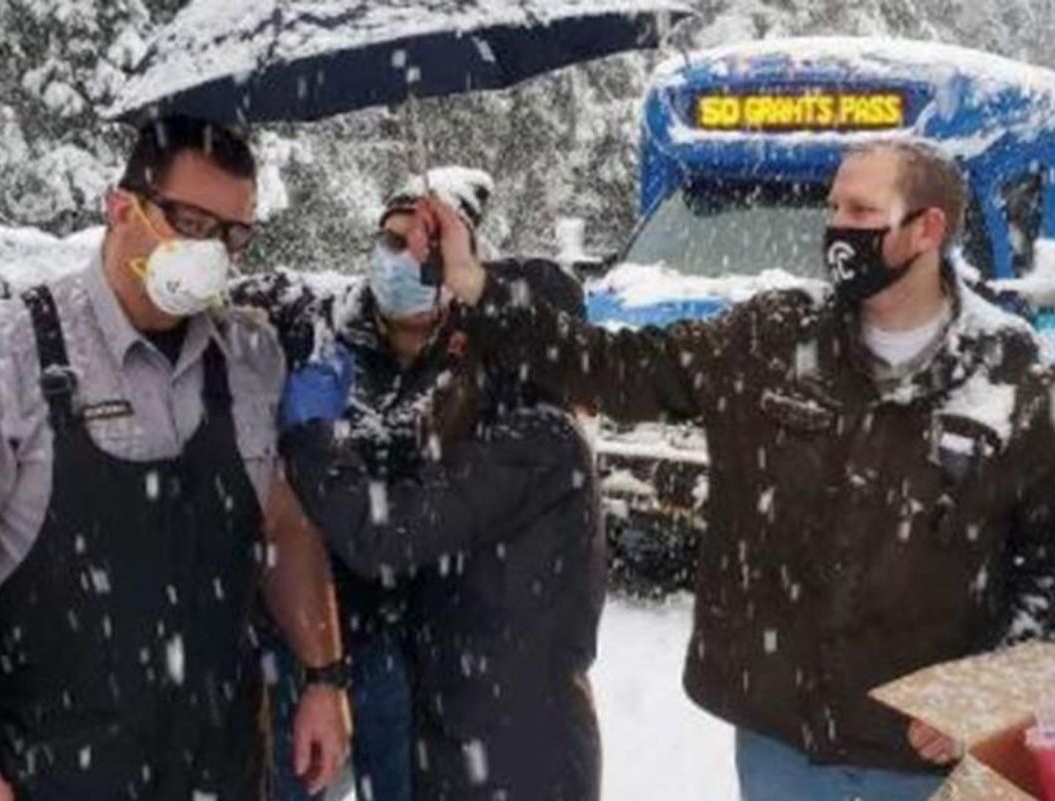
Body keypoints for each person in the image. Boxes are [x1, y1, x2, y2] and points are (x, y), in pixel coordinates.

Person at [434, 139, 1055, 800]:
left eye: (862, 209)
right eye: (834, 205)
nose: (838, 227)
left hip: (932, 762)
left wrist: (989, 691)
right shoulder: (771, 338)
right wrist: (476, 284)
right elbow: (611, 365)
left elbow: (1048, 568)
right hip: (782, 748)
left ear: (929, 228)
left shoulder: (1015, 381)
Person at [0, 115, 350, 801]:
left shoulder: (248, 360)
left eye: (232, 234)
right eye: (191, 221)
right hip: (55, 770)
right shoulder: (6, 359)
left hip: (220, 766)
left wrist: (321, 676)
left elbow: (284, 528)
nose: (211, 250)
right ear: (122, 207)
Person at [274, 176, 607, 801]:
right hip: (466, 719)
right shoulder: (504, 423)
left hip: (510, 746)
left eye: (483, 317)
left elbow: (387, 535)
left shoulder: (535, 441)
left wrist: (314, 437)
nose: (464, 328)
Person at [243, 166, 497, 801]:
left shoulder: (477, 361)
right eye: (389, 239)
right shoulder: (319, 332)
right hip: (301, 639)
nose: (399, 257)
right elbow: (241, 305)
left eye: (422, 243)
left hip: (406, 648)